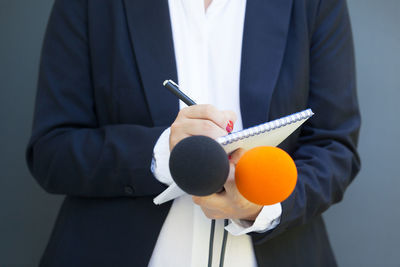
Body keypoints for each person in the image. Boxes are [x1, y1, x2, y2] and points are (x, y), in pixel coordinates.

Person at [26, 0, 361, 266]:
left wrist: (263, 205)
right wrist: (165, 152)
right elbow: (51, 151)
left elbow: (334, 146)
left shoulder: (312, 3)